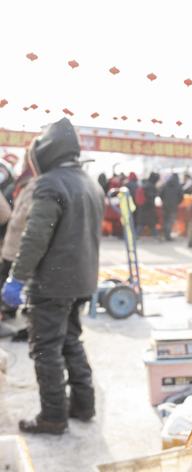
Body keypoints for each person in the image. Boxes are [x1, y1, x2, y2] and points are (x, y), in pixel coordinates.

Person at [1, 118, 105, 434]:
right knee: (71, 340)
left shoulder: (50, 184)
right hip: (81, 282)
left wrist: (17, 277)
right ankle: (83, 405)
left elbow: (35, 237)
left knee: (45, 348)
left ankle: (53, 416)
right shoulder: (90, 182)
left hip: (51, 284)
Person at [0, 149, 37, 333]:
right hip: (12, 242)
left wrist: (14, 223)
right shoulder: (24, 183)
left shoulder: (34, 185)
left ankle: (8, 311)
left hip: (17, 244)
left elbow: (15, 216)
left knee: (10, 278)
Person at [159, 173, 184, 241]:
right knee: (170, 220)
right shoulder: (178, 186)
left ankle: (165, 234)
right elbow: (181, 197)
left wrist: (164, 200)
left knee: (166, 220)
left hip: (165, 205)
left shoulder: (165, 184)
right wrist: (177, 202)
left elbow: (160, 194)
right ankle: (168, 236)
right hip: (173, 206)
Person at [135, 172, 160, 238]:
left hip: (142, 208)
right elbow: (150, 197)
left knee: (141, 224)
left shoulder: (145, 184)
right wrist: (155, 194)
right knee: (151, 224)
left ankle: (135, 236)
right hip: (148, 209)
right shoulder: (151, 186)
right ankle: (156, 236)